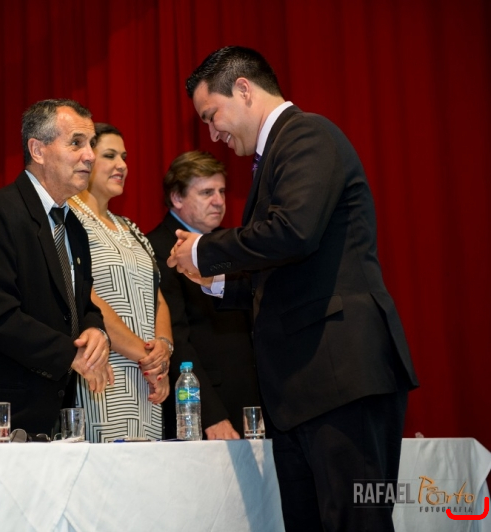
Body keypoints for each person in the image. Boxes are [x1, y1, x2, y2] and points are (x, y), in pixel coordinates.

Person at [170, 46, 418, 531]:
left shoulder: (307, 134)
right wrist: (214, 279)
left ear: (243, 90)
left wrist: (204, 251)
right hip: (303, 389)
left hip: (340, 375)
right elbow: (284, 269)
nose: (213, 133)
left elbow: (293, 233)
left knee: (357, 523)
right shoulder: (274, 157)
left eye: (211, 115)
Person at [0, 99, 113, 436]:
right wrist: (70, 354)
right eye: (76, 142)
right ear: (38, 150)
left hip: (54, 417)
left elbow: (82, 305)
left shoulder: (74, 226)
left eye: (91, 143)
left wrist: (95, 330)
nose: (90, 155)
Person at [67, 123, 170, 442]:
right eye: (110, 155)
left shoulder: (129, 227)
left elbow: (157, 296)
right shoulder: (69, 219)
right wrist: (146, 356)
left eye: (124, 157)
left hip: (146, 380)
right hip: (102, 373)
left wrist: (163, 350)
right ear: (86, 158)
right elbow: (84, 297)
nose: (122, 165)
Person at [146, 150, 259, 440]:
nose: (219, 201)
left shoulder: (230, 243)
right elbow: (175, 339)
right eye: (207, 192)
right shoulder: (156, 249)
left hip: (250, 398)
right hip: (202, 410)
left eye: (221, 191)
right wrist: (210, 414)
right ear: (177, 197)